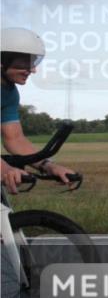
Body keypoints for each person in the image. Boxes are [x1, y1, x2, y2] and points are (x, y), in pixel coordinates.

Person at [1, 27, 77, 194]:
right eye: (25, 63)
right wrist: (5, 169)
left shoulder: (9, 93)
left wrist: (48, 166)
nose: (33, 69)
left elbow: (15, 139)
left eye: (33, 62)